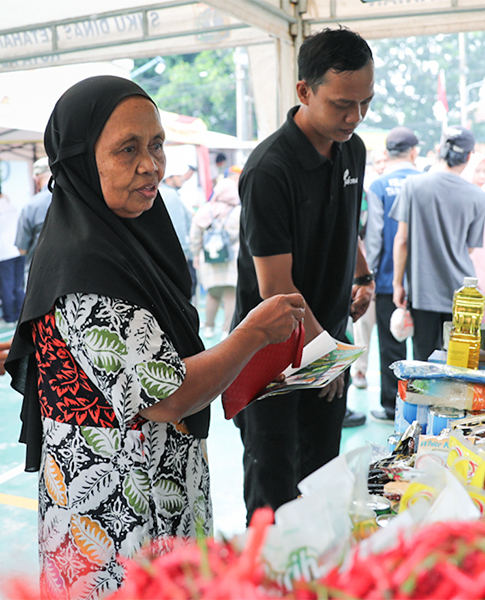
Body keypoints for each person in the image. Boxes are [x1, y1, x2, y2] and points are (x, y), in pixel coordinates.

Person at [3, 75, 305, 600]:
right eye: (128, 149)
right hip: (118, 515)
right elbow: (168, 396)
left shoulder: (131, 235)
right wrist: (253, 333)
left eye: (157, 144)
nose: (152, 165)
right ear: (79, 160)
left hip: (162, 490)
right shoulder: (85, 266)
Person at [231, 27, 376, 521]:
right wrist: (325, 355)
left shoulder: (352, 149)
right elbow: (275, 292)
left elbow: (344, 219)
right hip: (272, 355)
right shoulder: (270, 171)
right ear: (304, 91)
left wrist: (362, 275)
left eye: (365, 103)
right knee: (274, 487)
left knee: (323, 475)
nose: (354, 117)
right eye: (341, 104)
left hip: (324, 342)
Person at [390, 126, 485, 362]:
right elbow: (470, 248)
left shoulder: (413, 186)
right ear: (468, 157)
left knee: (423, 365)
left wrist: (397, 283)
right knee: (457, 365)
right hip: (461, 294)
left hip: (423, 291)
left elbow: (402, 240)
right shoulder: (478, 197)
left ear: (439, 150)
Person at [363, 126, 420, 421]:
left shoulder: (378, 186)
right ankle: (425, 404)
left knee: (390, 346)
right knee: (424, 346)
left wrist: (368, 274)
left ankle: (391, 406)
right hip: (423, 282)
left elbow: (373, 236)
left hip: (387, 280)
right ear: (415, 152)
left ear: (387, 153)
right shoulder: (426, 182)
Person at [349, 147, 386, 389]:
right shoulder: (365, 193)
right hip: (360, 273)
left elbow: (361, 236)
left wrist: (365, 276)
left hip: (364, 271)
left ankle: (357, 372)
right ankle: (358, 371)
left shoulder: (367, 193)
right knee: (360, 325)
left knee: (361, 324)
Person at [190, 177, 241, 339]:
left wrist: (196, 254)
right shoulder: (239, 212)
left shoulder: (205, 210)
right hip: (232, 260)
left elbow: (195, 236)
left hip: (209, 260)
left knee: (213, 294)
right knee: (230, 294)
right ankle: (227, 330)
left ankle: (208, 328)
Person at [461, 152, 485, 320]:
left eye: (484, 171)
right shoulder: (465, 198)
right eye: (477, 171)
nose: (482, 176)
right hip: (470, 259)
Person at [160, 163, 197, 299]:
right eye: (178, 176)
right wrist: (184, 251)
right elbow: (178, 225)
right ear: (169, 178)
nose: (182, 178)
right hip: (178, 251)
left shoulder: (168, 194)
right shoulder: (171, 196)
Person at [15, 157, 53, 275]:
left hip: (38, 273)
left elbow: (22, 248)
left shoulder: (31, 206)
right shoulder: (73, 200)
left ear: (36, 179)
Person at [0, 182, 24, 324]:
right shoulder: (12, 206)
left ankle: (9, 317)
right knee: (18, 286)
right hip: (18, 250)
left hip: (4, 253)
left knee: (6, 287)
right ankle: (21, 315)